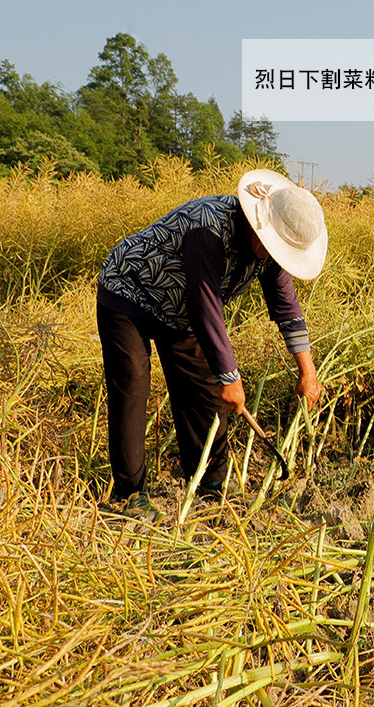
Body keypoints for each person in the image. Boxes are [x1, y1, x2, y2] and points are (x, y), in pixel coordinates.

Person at [96, 168, 328, 520]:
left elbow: (287, 309)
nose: (271, 254)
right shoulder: (209, 227)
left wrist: (307, 372)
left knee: (204, 394)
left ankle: (211, 484)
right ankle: (131, 496)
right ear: (258, 223)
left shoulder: (271, 255)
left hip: (179, 315)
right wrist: (230, 376)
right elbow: (205, 305)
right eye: (272, 245)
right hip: (128, 294)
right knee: (132, 385)